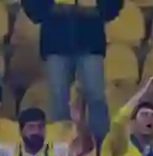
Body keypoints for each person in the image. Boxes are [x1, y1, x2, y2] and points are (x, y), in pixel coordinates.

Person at [20, 0, 118, 141]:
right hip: (56, 41)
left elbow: (113, 5)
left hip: (90, 40)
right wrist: (48, 10)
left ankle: (102, 146)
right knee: (59, 99)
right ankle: (62, 145)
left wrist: (100, 10)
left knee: (96, 96)